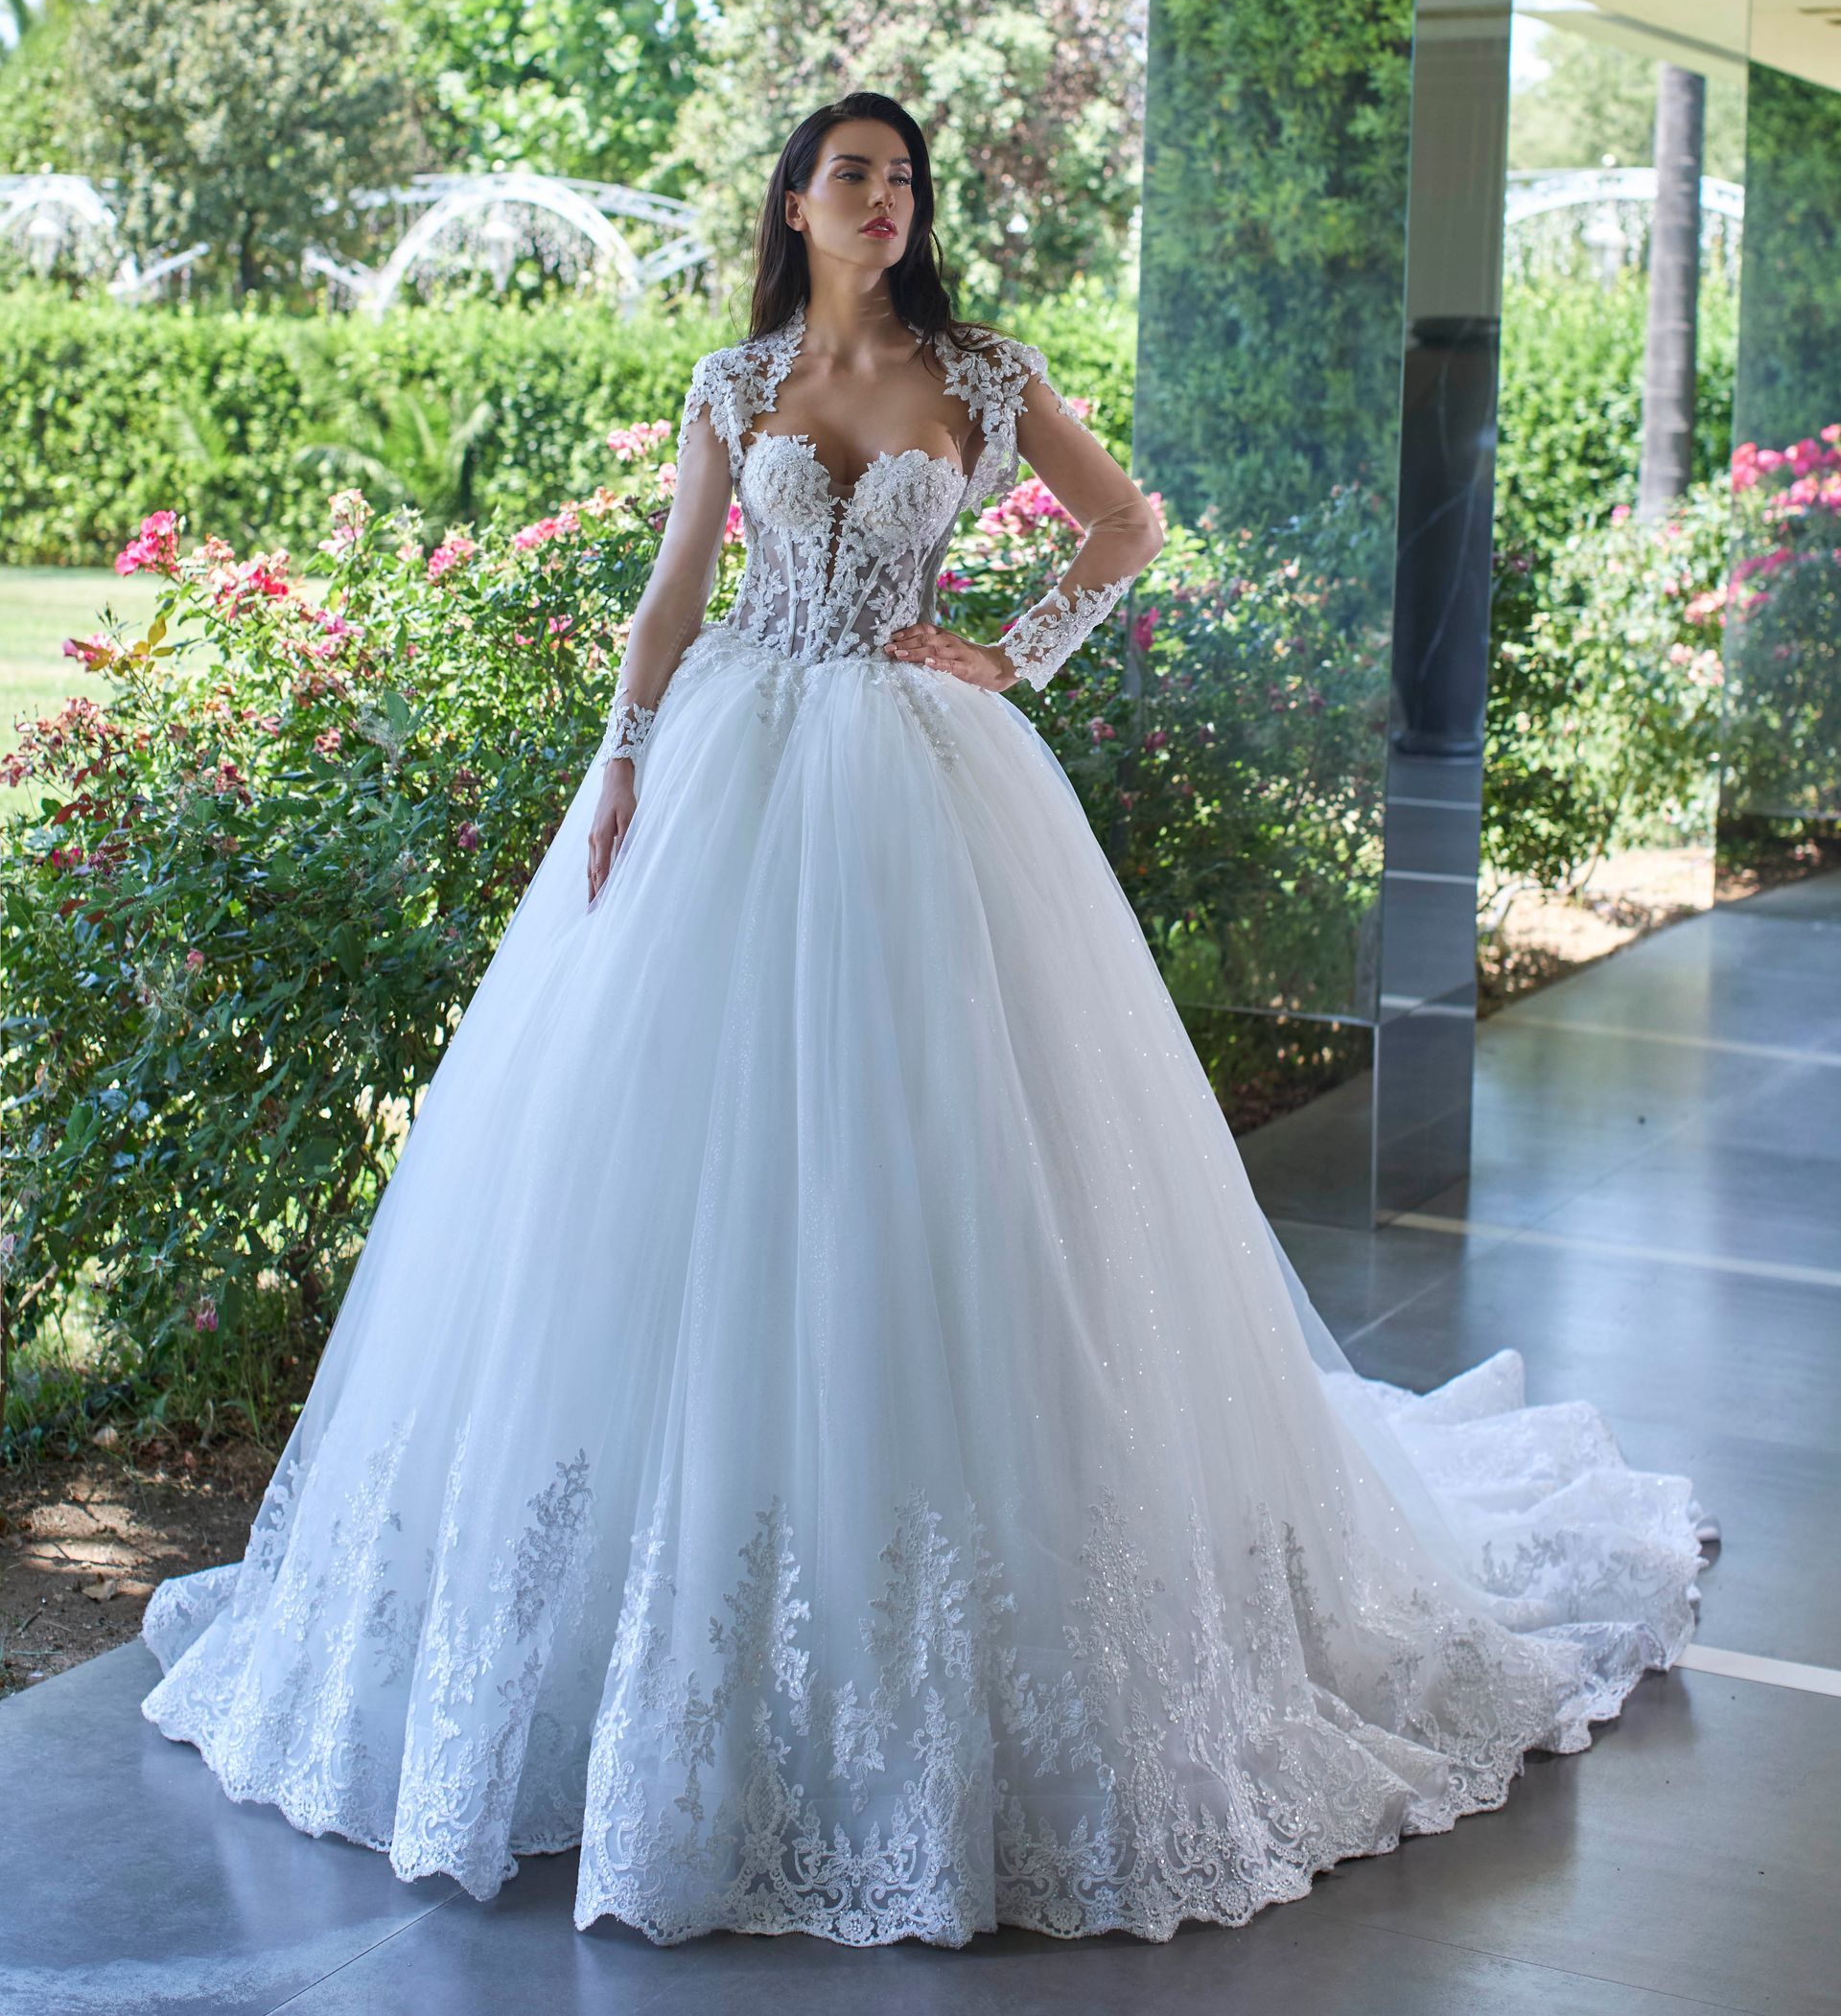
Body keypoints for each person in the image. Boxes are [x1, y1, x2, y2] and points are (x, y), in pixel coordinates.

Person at [142, 94, 1715, 1949]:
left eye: (904, 179)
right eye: (855, 174)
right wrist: (625, 763)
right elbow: (669, 601)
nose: (885, 201)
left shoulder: (982, 367)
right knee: (685, 1189)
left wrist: (1010, 649)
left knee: (949, 1168)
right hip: (735, 764)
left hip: (919, 783)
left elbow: (1128, 521)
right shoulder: (729, 386)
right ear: (795, 199)